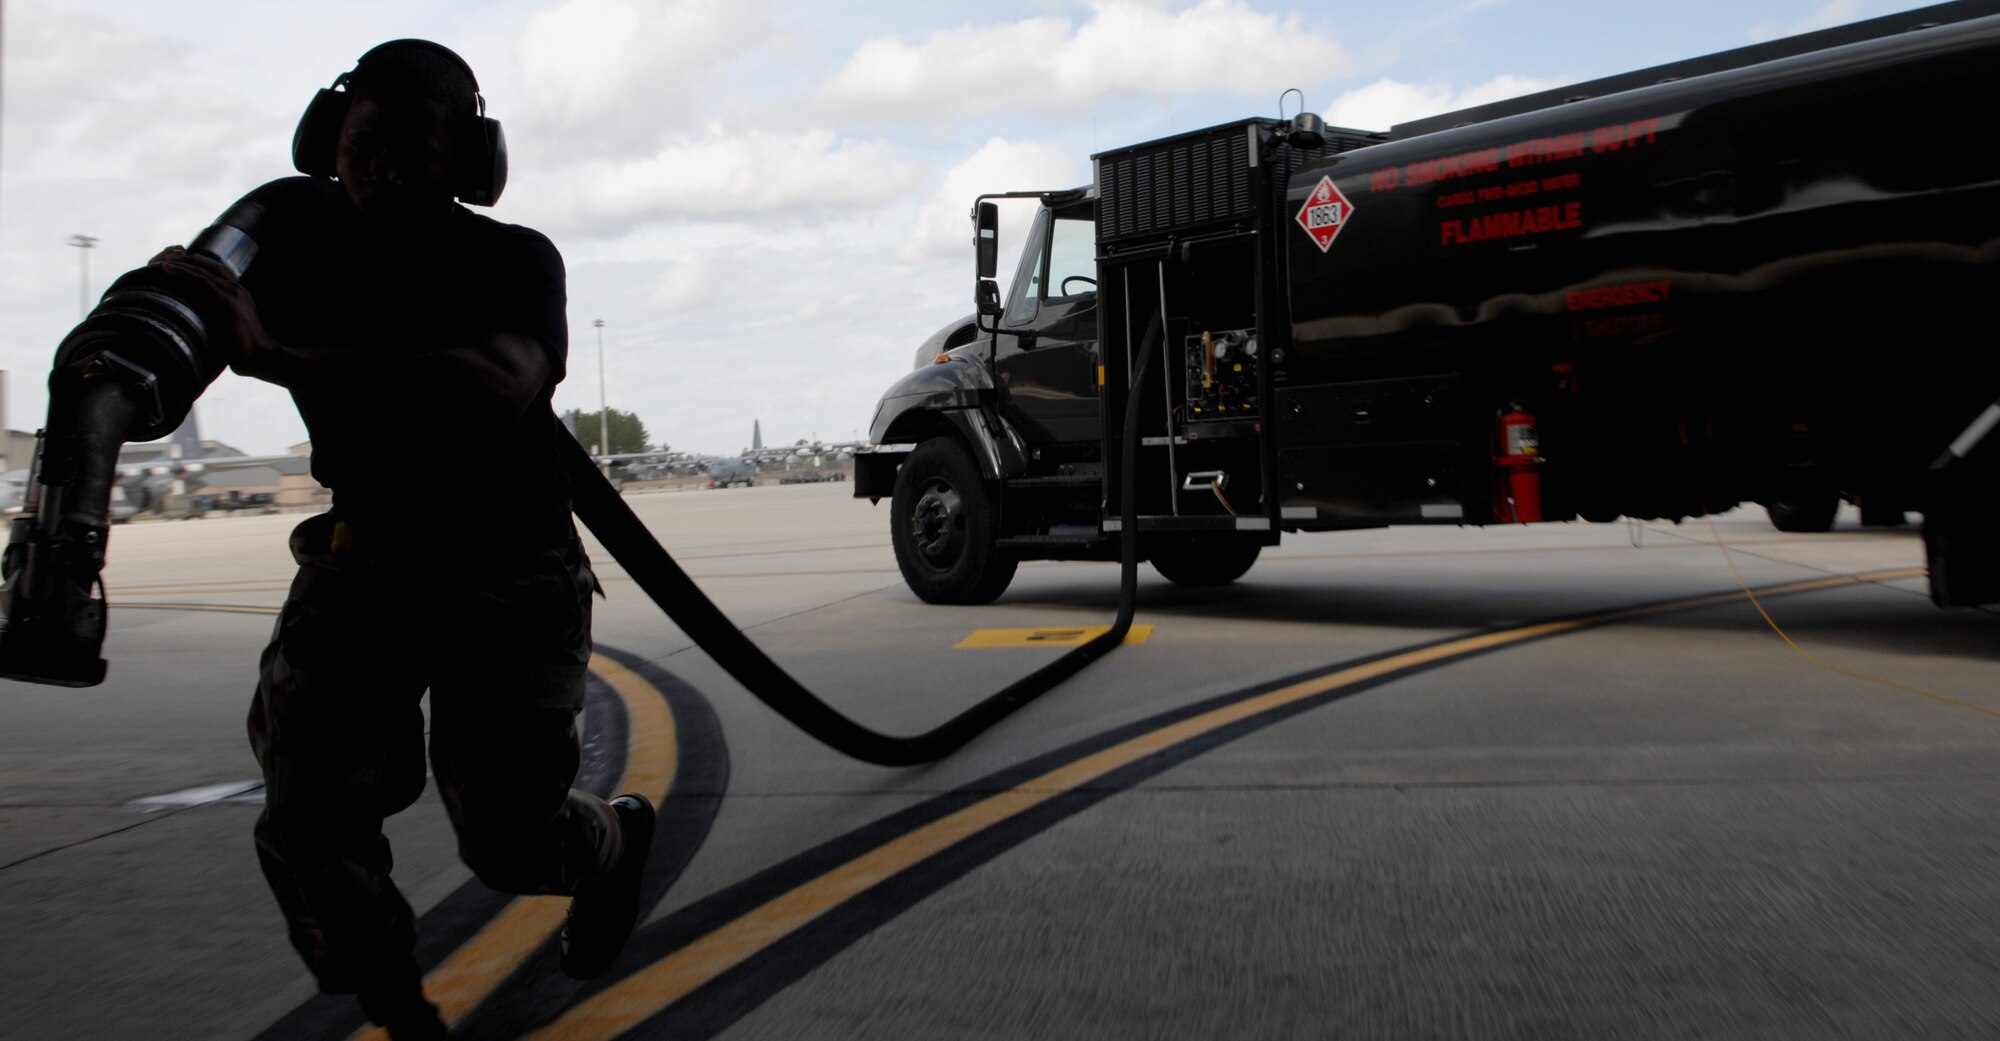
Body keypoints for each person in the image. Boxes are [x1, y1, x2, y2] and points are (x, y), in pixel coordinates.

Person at [150, 40, 653, 1041]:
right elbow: (198, 323)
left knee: (509, 845)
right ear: (326, 143)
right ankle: (401, 1018)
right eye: (360, 146)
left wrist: (279, 354)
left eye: (408, 149)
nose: (377, 168)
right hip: (365, 558)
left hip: (506, 570)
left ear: (464, 160)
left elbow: (495, 385)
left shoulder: (513, 261)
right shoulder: (293, 243)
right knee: (308, 821)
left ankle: (607, 845)